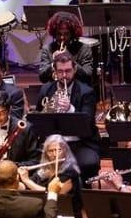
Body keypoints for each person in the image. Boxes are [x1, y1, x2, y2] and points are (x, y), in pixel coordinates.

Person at [36, 51, 101, 179]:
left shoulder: (87, 92)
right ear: (54, 71)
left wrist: (70, 108)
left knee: (89, 163)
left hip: (79, 143)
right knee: (34, 161)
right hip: (52, 144)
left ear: (75, 69)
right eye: (60, 71)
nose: (64, 75)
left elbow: (87, 122)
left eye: (68, 71)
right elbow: (39, 116)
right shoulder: (46, 90)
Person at [41, 10, 95, 78]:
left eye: (66, 34)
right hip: (55, 86)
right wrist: (54, 62)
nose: (62, 37)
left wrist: (70, 60)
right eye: (59, 34)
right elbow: (42, 77)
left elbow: (88, 75)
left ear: (72, 34)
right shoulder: (47, 49)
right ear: (54, 33)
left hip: (76, 86)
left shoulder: (84, 49)